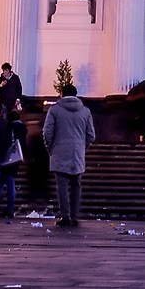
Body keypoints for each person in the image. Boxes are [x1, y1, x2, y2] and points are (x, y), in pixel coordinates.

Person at [43, 80, 96, 226]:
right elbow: (91, 135)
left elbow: (47, 132)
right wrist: (82, 147)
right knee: (76, 185)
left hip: (59, 151)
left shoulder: (54, 110)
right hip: (78, 153)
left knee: (62, 184)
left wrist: (51, 148)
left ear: (62, 94)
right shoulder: (85, 111)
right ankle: (74, 216)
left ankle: (65, 216)